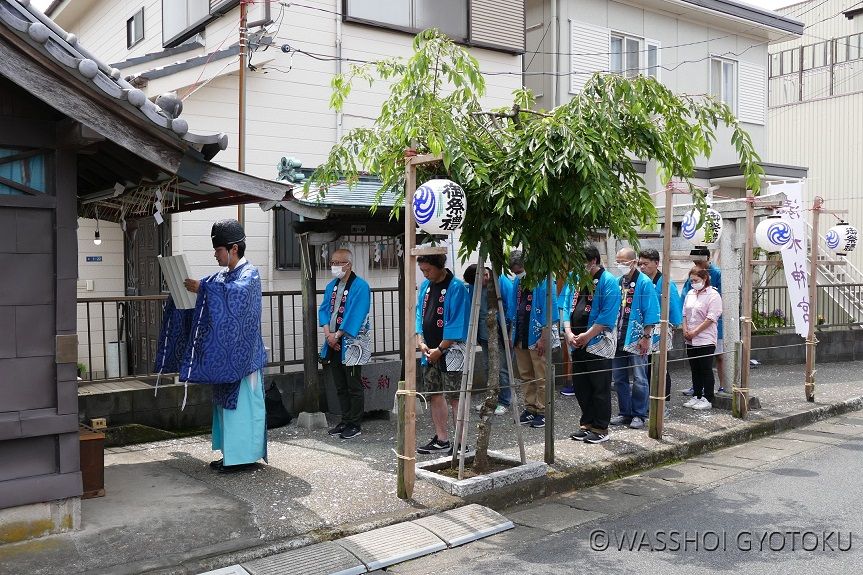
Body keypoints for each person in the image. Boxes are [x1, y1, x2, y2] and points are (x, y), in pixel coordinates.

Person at [155, 219, 268, 473]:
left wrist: (203, 289)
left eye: (218, 250)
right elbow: (211, 296)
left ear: (234, 249)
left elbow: (235, 296)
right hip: (225, 354)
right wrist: (184, 293)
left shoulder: (250, 275)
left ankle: (244, 458)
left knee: (242, 410)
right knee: (224, 410)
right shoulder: (221, 276)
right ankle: (230, 455)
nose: (215, 255)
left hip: (243, 358)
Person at [565, 245, 620, 444]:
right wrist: (568, 332)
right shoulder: (575, 279)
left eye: (583, 262)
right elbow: (565, 306)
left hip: (598, 342)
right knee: (581, 386)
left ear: (594, 261)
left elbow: (608, 314)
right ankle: (586, 424)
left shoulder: (609, 281)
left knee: (600, 387)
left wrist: (587, 335)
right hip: (576, 342)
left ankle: (600, 427)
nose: (578, 267)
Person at [415, 253, 470, 454]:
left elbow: (458, 322)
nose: (425, 274)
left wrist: (441, 349)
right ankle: (442, 438)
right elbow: (419, 314)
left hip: (452, 350)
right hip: (429, 350)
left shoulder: (457, 288)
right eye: (422, 271)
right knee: (435, 394)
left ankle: (461, 442)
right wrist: (420, 341)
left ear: (440, 266)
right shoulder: (425, 287)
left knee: (456, 396)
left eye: (427, 270)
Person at [318, 248, 371, 440]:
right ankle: (345, 419)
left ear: (348, 264)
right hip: (332, 341)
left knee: (353, 385)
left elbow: (357, 314)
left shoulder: (361, 286)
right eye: (332, 262)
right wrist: (328, 335)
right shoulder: (331, 285)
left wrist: (337, 335)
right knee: (340, 384)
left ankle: (355, 423)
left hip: (352, 343)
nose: (334, 266)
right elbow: (324, 310)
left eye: (338, 263)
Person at [508, 250, 558, 429]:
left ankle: (544, 410)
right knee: (525, 375)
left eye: (520, 269)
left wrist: (544, 337)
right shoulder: (518, 282)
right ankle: (530, 408)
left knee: (541, 375)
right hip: (521, 332)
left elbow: (550, 310)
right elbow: (513, 308)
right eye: (515, 271)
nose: (518, 273)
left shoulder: (544, 279)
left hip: (538, 334)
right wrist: (511, 335)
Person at [610, 247, 659, 430]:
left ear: (632, 262)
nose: (619, 265)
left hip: (637, 336)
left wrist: (646, 336)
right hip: (618, 336)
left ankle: (639, 413)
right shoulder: (617, 282)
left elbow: (651, 311)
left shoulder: (644, 282)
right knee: (619, 378)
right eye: (618, 262)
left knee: (639, 377)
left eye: (623, 262)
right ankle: (625, 412)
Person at [637, 248, 682, 409]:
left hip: (661, 327)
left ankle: (663, 402)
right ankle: (648, 400)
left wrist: (674, 324)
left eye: (646, 264)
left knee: (660, 365)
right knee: (645, 365)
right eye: (640, 263)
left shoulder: (665, 282)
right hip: (644, 328)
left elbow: (674, 304)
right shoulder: (641, 281)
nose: (642, 267)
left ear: (656, 263)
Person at [465, 264, 511, 416]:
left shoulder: (501, 281)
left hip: (500, 331)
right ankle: (491, 399)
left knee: (502, 368)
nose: (485, 279)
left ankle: (505, 401)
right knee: (487, 367)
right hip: (484, 334)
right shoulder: (474, 286)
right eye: (481, 279)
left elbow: (510, 306)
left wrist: (509, 332)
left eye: (485, 275)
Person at [681, 247, 725, 393]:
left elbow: (721, 299)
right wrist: (684, 325)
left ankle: (722, 385)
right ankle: (697, 388)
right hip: (693, 320)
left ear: (707, 258)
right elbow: (685, 297)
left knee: (717, 355)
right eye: (694, 261)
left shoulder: (717, 273)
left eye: (699, 261)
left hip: (712, 321)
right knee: (696, 361)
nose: (697, 264)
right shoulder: (693, 277)